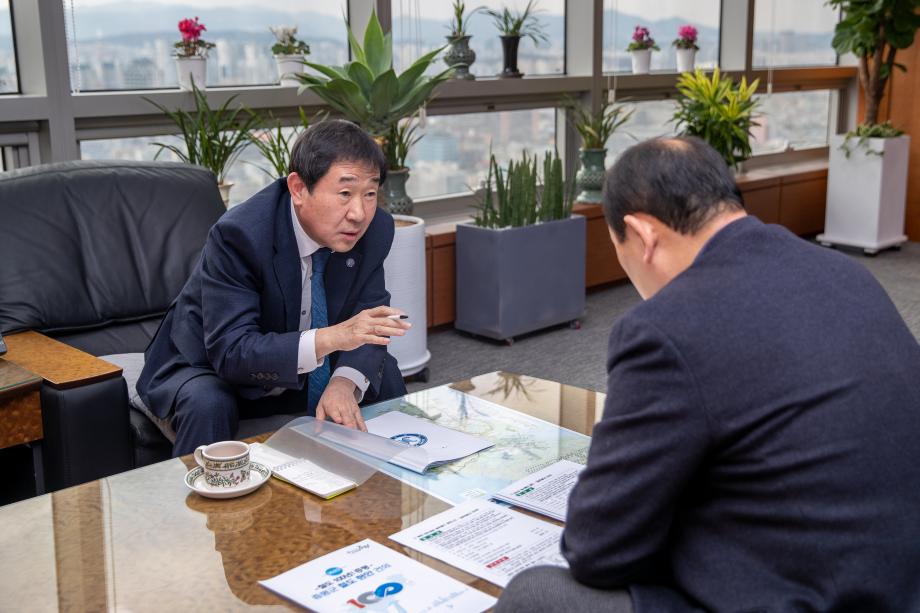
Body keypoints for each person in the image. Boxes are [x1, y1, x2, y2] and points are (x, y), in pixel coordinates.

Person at [497, 137, 920, 612]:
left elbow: (597, 550)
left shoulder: (666, 327)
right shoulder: (844, 271)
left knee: (537, 595)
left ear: (641, 234)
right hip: (899, 579)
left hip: (812, 596)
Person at [137, 119, 410, 456]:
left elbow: (370, 326)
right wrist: (334, 337)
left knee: (381, 374)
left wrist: (343, 383)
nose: (359, 213)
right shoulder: (241, 235)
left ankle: (399, 476)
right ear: (298, 188)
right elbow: (232, 352)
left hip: (296, 367)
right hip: (208, 363)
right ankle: (197, 492)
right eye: (344, 193)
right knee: (208, 403)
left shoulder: (375, 229)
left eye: (370, 194)